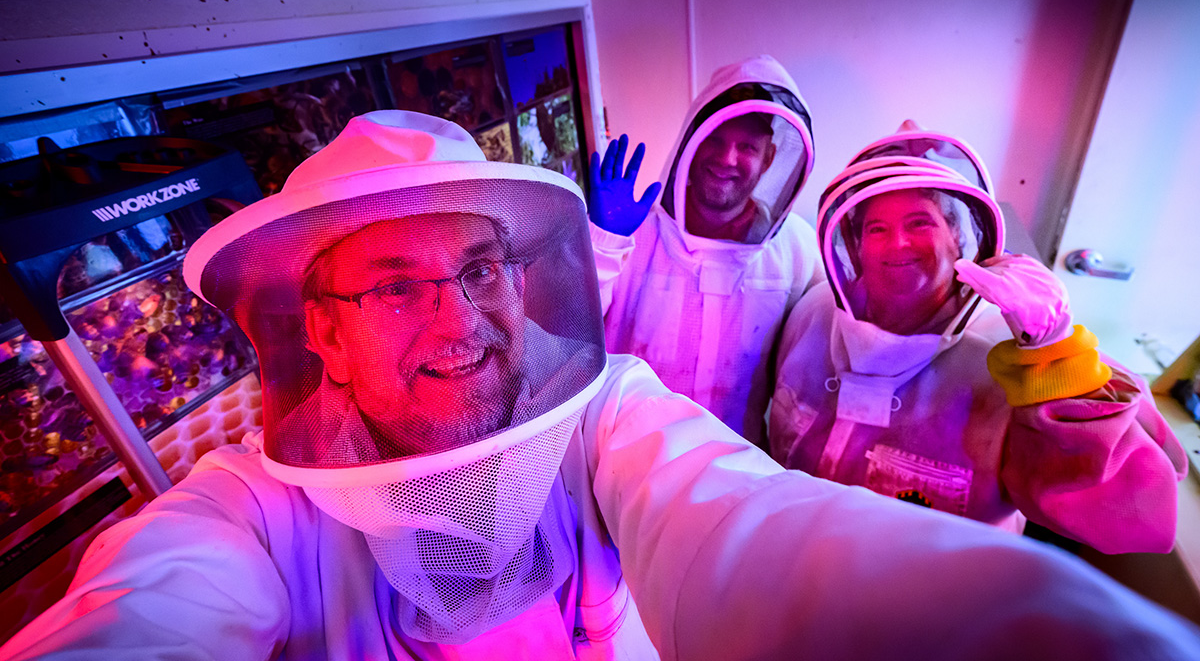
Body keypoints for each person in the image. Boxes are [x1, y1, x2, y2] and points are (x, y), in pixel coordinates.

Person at [6, 111, 1200, 661]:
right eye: (392, 286)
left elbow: (747, 520)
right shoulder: (252, 506)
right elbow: (148, 609)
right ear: (315, 326)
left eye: (481, 265)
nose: (460, 315)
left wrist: (1064, 371)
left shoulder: (611, 411)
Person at [769, 125, 1187, 553]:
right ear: (853, 245)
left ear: (957, 237)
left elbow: (1137, 517)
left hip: (942, 609)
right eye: (877, 228)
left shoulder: (1014, 347)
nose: (898, 243)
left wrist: (1055, 351)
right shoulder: (815, 314)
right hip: (802, 578)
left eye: (920, 223)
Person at [588, 55, 822, 443]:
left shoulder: (794, 247)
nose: (727, 159)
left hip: (738, 473)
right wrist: (600, 245)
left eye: (747, 146)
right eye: (714, 139)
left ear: (770, 159)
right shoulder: (632, 229)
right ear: (691, 141)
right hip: (624, 467)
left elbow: (818, 354)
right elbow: (568, 340)